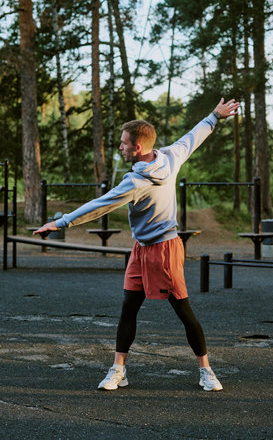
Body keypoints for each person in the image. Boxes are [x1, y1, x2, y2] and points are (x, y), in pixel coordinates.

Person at [34, 97, 240, 392]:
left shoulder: (135, 182)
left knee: (184, 311)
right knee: (128, 310)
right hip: (141, 249)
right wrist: (214, 116)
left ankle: (206, 371)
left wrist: (60, 222)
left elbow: (98, 206)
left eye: (123, 143)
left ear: (137, 148)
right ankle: (119, 369)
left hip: (166, 249)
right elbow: (194, 136)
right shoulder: (170, 155)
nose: (120, 147)